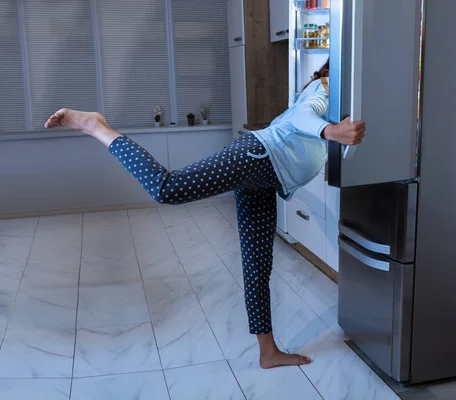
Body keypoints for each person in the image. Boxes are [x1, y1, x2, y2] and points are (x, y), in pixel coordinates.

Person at [44, 60, 366, 369]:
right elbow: (301, 120)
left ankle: (267, 353)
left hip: (267, 178)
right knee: (167, 188)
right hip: (256, 156)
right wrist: (331, 132)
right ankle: (97, 127)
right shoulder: (324, 91)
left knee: (257, 265)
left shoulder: (335, 104)